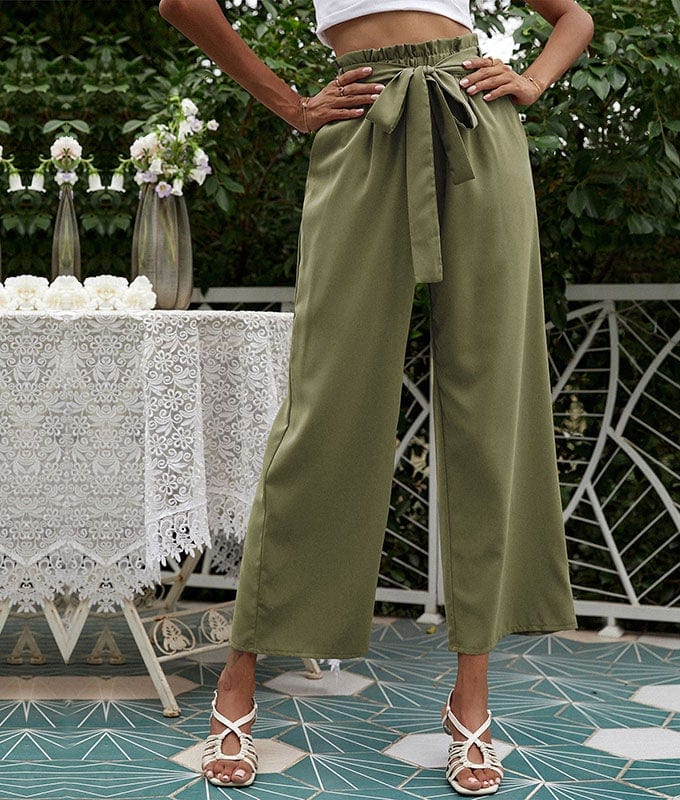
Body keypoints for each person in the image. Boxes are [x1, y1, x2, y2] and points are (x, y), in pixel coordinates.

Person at [158, 0, 593, 795]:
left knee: (493, 403)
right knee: (323, 409)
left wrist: (531, 81)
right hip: (363, 124)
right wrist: (292, 105)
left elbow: (573, 17)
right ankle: (239, 676)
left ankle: (471, 701)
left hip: (476, 123)